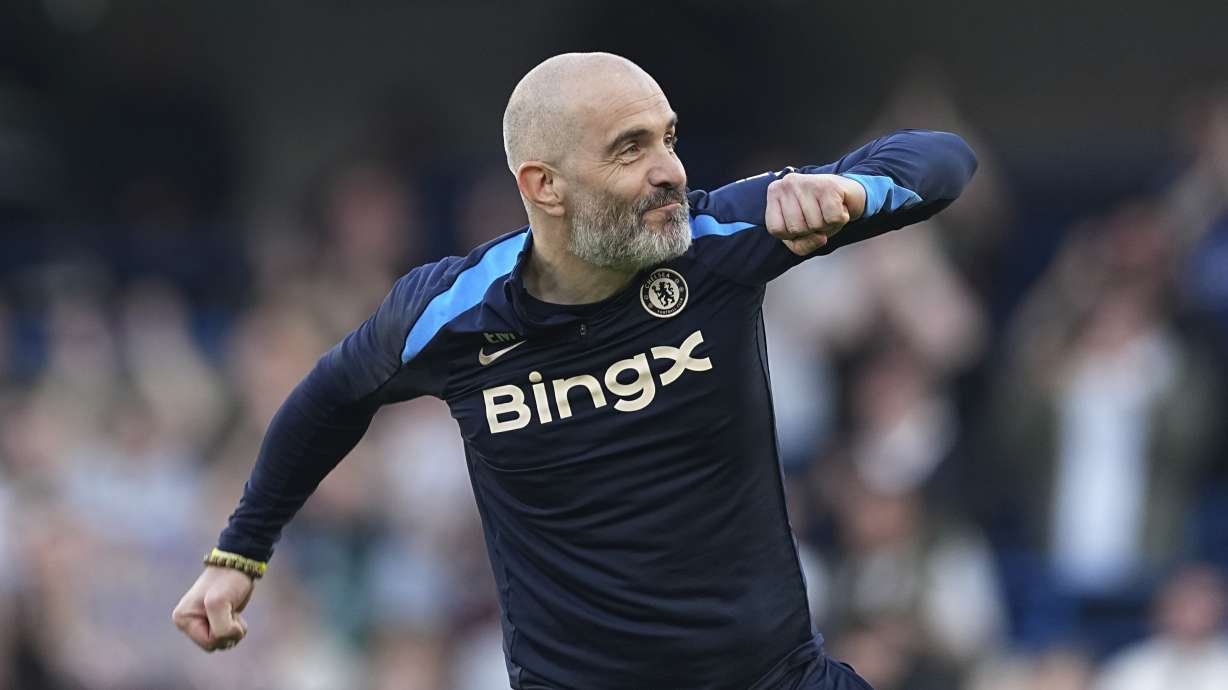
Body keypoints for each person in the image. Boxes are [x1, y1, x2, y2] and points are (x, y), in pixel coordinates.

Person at [172, 52, 976, 690]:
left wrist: (854, 191)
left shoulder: (716, 239)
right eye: (631, 148)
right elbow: (326, 401)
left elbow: (945, 160)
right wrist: (239, 555)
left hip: (773, 678)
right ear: (543, 185)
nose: (668, 168)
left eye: (667, 137)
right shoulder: (452, 312)